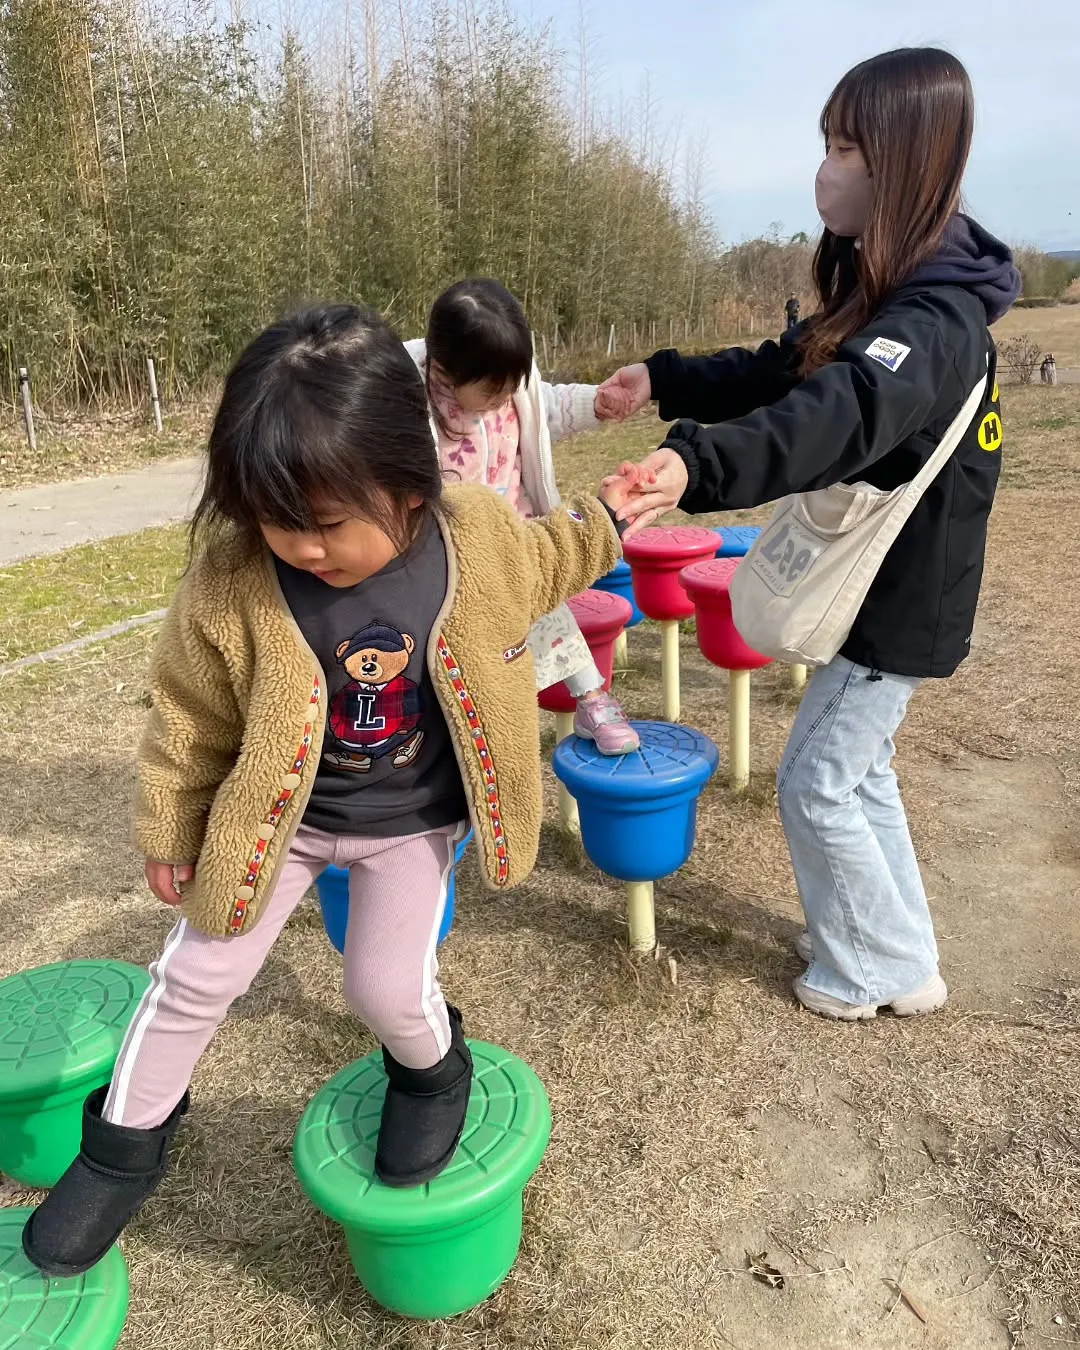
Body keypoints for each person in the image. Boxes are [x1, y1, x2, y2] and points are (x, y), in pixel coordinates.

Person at [23, 303, 627, 1277]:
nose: (301, 546)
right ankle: (121, 1149)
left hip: (410, 830)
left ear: (410, 485)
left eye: (329, 524)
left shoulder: (474, 539)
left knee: (385, 985)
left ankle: (433, 1074)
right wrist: (172, 822)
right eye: (275, 519)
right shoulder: (231, 584)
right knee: (193, 978)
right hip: (277, 828)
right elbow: (188, 713)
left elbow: (554, 554)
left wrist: (611, 515)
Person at [598, 48, 1020, 1022]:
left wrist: (693, 467)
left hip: (898, 605)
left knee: (816, 782)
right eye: (825, 142)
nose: (825, 168)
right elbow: (777, 371)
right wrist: (663, 378)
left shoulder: (936, 318)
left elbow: (837, 413)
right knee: (856, 774)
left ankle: (875, 968)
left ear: (903, 163)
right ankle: (889, 945)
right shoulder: (890, 298)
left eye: (845, 146)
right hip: (886, 596)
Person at [405, 278, 640, 756]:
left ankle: (591, 697)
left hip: (516, 535)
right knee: (462, 655)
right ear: (445, 372)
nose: (507, 396)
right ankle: (454, 738)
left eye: (515, 384)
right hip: (449, 555)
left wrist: (595, 402)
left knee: (547, 608)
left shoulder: (509, 380)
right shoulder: (405, 398)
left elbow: (545, 403)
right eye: (495, 390)